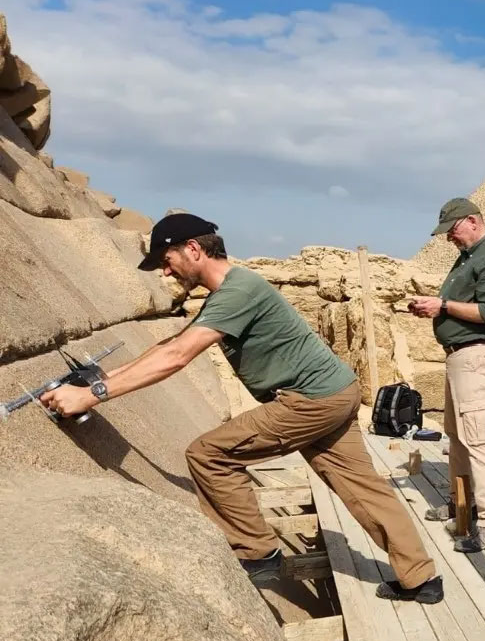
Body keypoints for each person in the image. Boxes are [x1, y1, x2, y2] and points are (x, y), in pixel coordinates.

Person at [41, 213, 444, 604]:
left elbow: (178, 357)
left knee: (208, 455)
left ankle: (258, 552)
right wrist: (102, 377)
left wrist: (91, 396)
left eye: (167, 261)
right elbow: (169, 346)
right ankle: (421, 578)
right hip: (336, 392)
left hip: (311, 400)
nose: (166, 273)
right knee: (364, 488)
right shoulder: (233, 291)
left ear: (193, 249)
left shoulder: (237, 291)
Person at [410, 198, 485, 553]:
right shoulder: (469, 258)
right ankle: (462, 504)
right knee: (457, 436)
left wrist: (442, 306)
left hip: (476, 356)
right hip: (460, 358)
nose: (449, 239)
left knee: (481, 439)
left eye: (452, 231)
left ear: (472, 221)